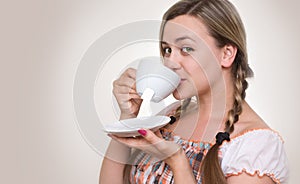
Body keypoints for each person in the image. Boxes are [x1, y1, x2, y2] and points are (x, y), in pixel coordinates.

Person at [99, 0, 289, 183]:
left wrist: (178, 161)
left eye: (186, 48)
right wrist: (128, 117)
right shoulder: (171, 115)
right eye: (167, 50)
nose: (170, 63)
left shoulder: (256, 146)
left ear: (226, 54)